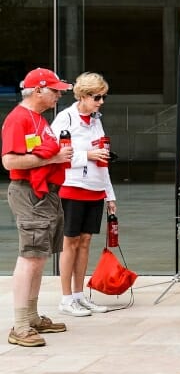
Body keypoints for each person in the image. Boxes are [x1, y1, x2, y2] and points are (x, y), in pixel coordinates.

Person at [2, 68, 73, 347]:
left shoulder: (38, 119)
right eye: (54, 90)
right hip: (28, 193)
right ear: (38, 90)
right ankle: (20, 325)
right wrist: (52, 157)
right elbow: (9, 162)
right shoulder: (18, 119)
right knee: (30, 255)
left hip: (44, 194)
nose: (58, 95)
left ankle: (30, 316)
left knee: (40, 255)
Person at [49, 72, 116, 317]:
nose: (101, 102)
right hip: (73, 186)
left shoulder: (96, 120)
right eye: (97, 97)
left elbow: (103, 157)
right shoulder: (65, 118)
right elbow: (55, 154)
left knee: (86, 241)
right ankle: (66, 298)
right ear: (83, 96)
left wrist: (110, 196)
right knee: (71, 242)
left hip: (96, 187)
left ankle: (79, 295)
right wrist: (86, 156)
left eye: (103, 97)